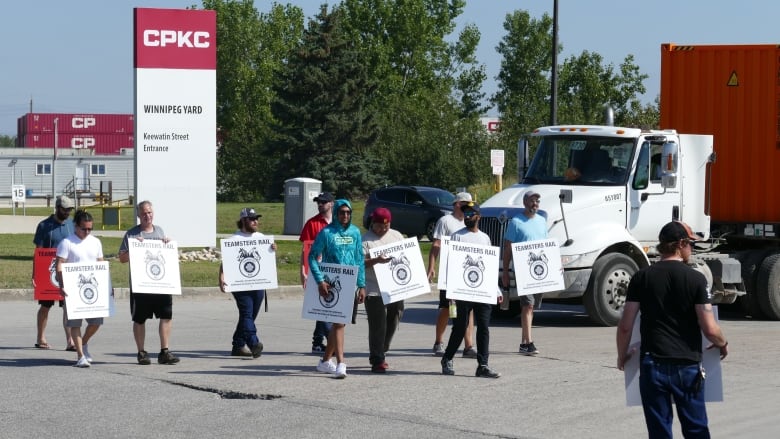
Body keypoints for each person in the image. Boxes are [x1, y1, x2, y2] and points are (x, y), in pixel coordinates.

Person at [617, 221, 729, 438]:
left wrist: (623, 355)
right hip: (686, 367)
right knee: (696, 429)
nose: (692, 249)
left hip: (652, 365)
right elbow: (709, 327)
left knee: (659, 432)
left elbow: (625, 326)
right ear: (680, 244)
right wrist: (722, 344)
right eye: (690, 244)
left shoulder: (641, 277)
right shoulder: (696, 279)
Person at [440, 202, 502, 378]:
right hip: (461, 291)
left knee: (483, 327)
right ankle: (447, 358)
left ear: (478, 216)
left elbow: (489, 267)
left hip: (482, 290)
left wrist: (496, 290)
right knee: (460, 327)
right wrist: (449, 291)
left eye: (471, 214)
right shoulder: (457, 237)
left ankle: (483, 365)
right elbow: (450, 266)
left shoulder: (485, 238)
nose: (467, 217)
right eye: (465, 214)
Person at [309, 199, 366, 378]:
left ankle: (325, 361)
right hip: (331, 284)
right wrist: (319, 281)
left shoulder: (356, 232)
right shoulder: (326, 233)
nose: (345, 216)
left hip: (349, 284)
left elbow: (359, 260)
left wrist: (362, 284)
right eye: (342, 212)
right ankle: (341, 362)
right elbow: (312, 257)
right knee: (339, 323)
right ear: (336, 213)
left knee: (339, 324)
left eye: (348, 213)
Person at [118, 200, 180, 365]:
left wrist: (167, 242)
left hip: (161, 284)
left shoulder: (159, 231)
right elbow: (122, 258)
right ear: (138, 215)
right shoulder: (131, 234)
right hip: (141, 286)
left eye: (150, 212)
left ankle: (164, 351)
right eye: (144, 213)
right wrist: (133, 248)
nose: (147, 216)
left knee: (166, 316)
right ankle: (141, 352)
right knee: (139, 319)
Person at [219, 208, 277, 358]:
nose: (255, 221)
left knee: (249, 315)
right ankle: (253, 343)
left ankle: (238, 345)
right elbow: (226, 261)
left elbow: (266, 259)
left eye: (256, 218)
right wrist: (221, 276)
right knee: (246, 313)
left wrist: (272, 249)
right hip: (240, 284)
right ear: (243, 221)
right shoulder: (234, 240)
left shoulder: (260, 237)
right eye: (252, 219)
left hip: (258, 283)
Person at [426, 192, 477, 358]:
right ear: (457, 204)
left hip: (466, 273)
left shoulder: (471, 221)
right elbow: (436, 245)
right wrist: (432, 267)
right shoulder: (445, 221)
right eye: (466, 203)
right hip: (450, 273)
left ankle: (468, 346)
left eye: (470, 204)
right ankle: (438, 341)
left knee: (468, 310)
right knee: (447, 309)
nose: (469, 206)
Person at [55, 210, 104, 368]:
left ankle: (83, 343)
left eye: (90, 229)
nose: (87, 232)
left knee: (96, 322)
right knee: (75, 324)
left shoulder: (95, 242)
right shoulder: (67, 242)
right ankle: (80, 356)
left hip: (92, 289)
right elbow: (59, 264)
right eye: (84, 229)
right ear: (76, 226)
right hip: (72, 289)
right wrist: (62, 285)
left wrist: (107, 286)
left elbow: (101, 265)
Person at [502, 190, 546, 355]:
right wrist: (505, 272)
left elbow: (546, 246)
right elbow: (507, 249)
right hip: (523, 271)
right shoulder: (516, 222)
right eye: (532, 200)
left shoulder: (542, 221)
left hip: (539, 271)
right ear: (525, 203)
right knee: (527, 305)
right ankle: (529, 343)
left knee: (531, 307)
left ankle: (523, 343)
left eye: (537, 200)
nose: (535, 203)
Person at [362, 207, 405, 373]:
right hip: (373, 288)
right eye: (379, 226)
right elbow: (360, 263)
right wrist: (375, 261)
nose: (382, 229)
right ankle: (377, 358)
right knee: (377, 324)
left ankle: (383, 346)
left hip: (394, 287)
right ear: (373, 223)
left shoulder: (396, 235)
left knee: (396, 315)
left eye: (386, 226)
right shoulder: (365, 240)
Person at [33, 195, 75, 351]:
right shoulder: (44, 226)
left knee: (68, 307)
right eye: (65, 209)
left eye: (70, 209)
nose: (67, 212)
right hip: (48, 272)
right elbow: (38, 251)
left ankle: (70, 341)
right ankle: (40, 338)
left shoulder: (72, 224)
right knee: (45, 306)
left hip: (67, 272)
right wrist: (35, 274)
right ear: (57, 208)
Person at [299, 191, 334, 354]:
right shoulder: (312, 223)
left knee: (327, 304)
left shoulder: (340, 222)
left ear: (331, 204)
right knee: (324, 304)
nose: (320, 204)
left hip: (335, 270)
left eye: (323, 202)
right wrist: (303, 272)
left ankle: (317, 342)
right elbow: (306, 250)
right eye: (318, 202)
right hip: (317, 271)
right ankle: (331, 340)